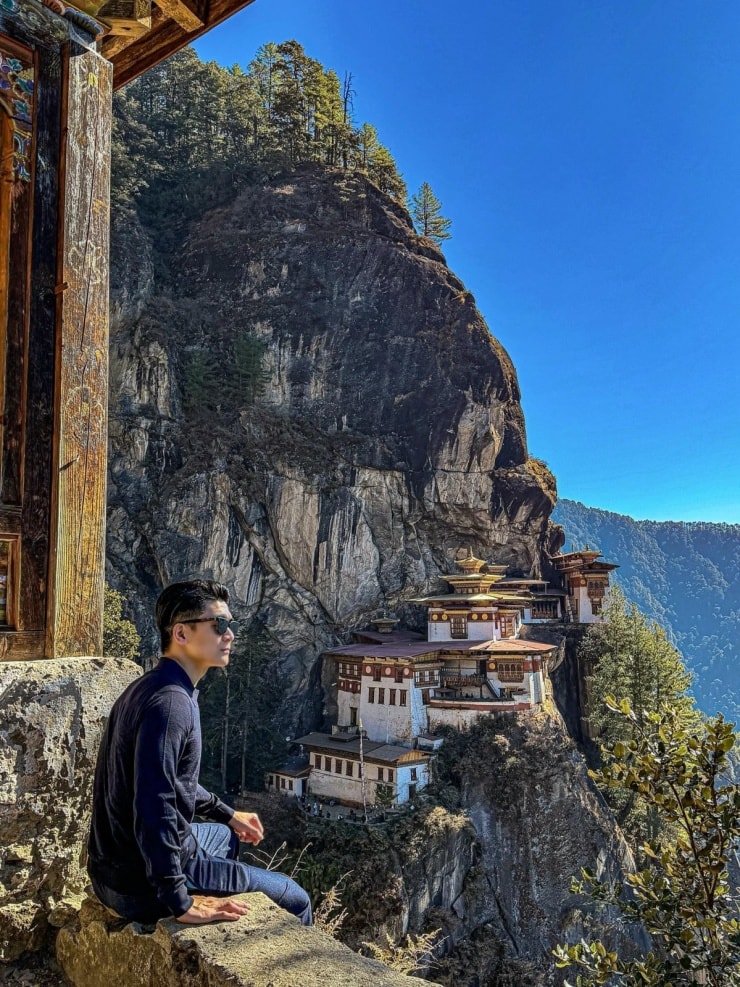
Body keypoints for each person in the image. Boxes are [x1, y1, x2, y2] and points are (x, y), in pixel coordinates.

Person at [87, 579, 312, 927]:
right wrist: (180, 902)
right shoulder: (172, 704)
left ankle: (217, 882)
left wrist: (227, 813)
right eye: (219, 624)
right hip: (139, 885)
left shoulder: (150, 686)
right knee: (295, 899)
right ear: (181, 634)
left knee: (224, 835)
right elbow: (154, 804)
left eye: (229, 624)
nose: (230, 635)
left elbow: (172, 781)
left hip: (110, 869)